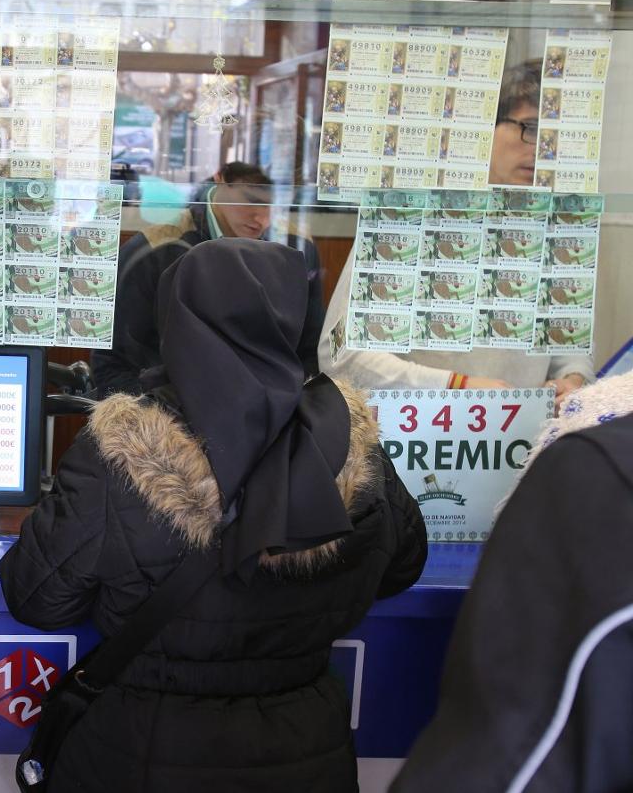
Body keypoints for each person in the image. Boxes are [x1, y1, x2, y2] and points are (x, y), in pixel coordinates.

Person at [0, 239, 428, 792]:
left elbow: (34, 597)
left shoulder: (120, 456)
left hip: (140, 757)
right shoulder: (354, 449)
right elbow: (403, 568)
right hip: (306, 756)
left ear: (174, 320)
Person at [392, 371, 633, 793]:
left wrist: (571, 376)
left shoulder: (596, 465)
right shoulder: (597, 459)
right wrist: (457, 381)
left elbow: (512, 752)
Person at [320, 61, 595, 400]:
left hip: (525, 441)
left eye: (558, 137)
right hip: (414, 439)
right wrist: (455, 386)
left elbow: (567, 345)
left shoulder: (554, 229)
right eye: (531, 128)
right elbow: (340, 354)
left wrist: (572, 378)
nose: (543, 149)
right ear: (481, 129)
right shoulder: (405, 217)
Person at [92, 162, 326, 394]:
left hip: (270, 412)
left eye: (279, 203)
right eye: (253, 200)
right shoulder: (156, 251)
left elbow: (310, 354)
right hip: (171, 413)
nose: (264, 219)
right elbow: (112, 367)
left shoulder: (297, 247)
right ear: (220, 175)